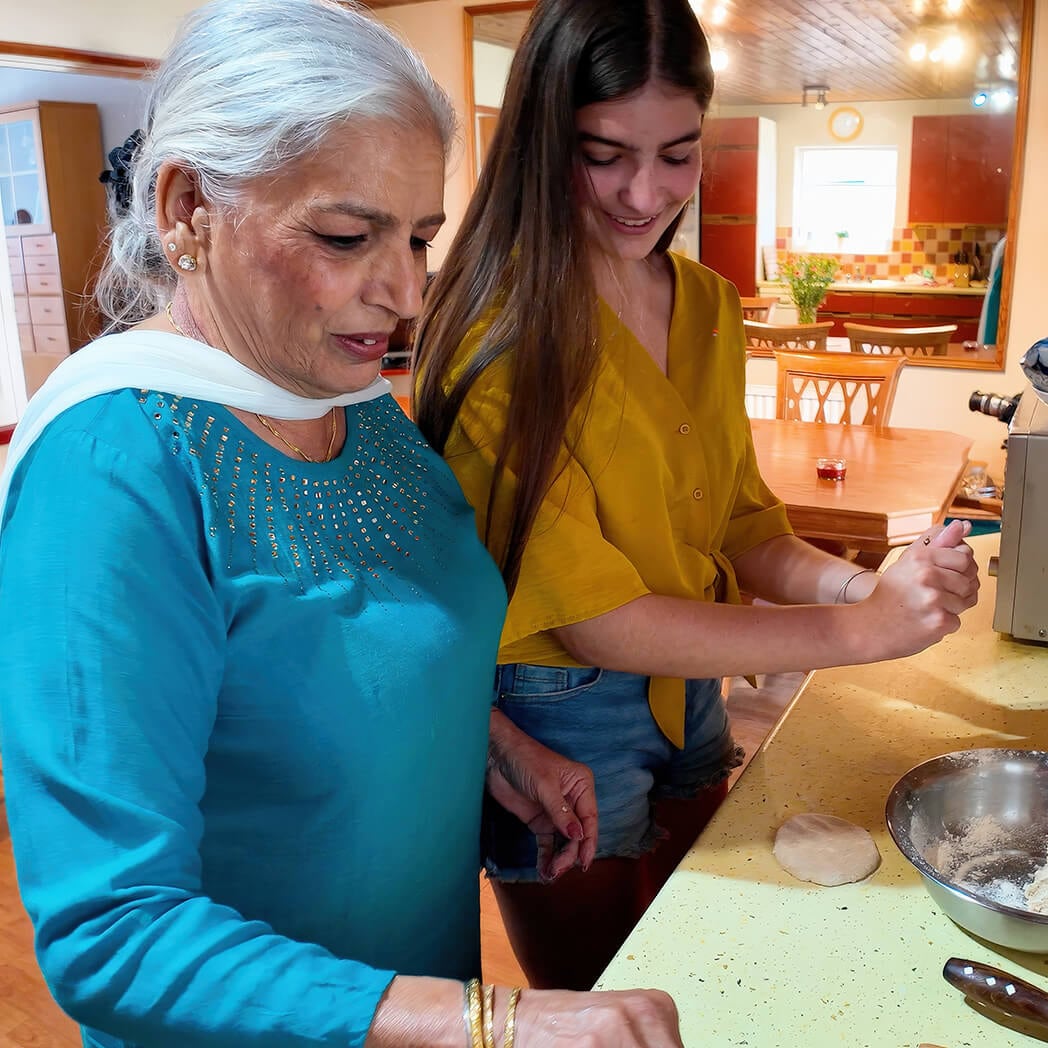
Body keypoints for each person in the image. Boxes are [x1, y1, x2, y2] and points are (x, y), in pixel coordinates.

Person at [0, 0, 686, 1044]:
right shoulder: (114, 466)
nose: (405, 290)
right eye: (344, 234)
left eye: (418, 235)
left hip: (422, 996)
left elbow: (337, 646)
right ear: (189, 203)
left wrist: (495, 746)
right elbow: (111, 930)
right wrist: (495, 1024)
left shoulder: (349, 401)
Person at [413, 0, 980, 992]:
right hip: (556, 719)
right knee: (597, 997)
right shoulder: (501, 339)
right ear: (545, 141)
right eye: (604, 153)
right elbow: (601, 623)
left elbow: (742, 525)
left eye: (676, 154)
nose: (645, 192)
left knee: (696, 969)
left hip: (694, 692)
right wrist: (852, 638)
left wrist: (862, 590)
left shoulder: (706, 303)